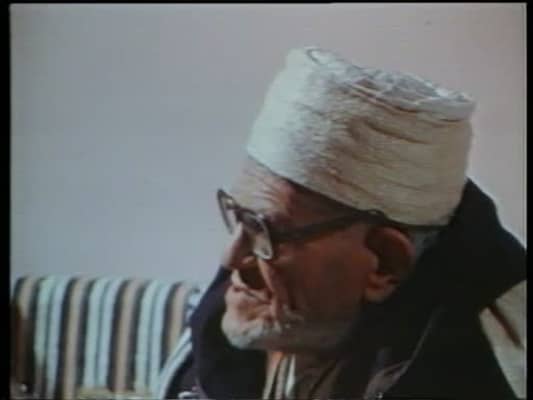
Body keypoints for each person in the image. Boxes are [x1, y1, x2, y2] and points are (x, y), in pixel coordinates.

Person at [157, 47, 526, 399]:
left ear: (385, 263)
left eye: (265, 232)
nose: (231, 259)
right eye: (238, 217)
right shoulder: (227, 316)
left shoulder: (493, 368)